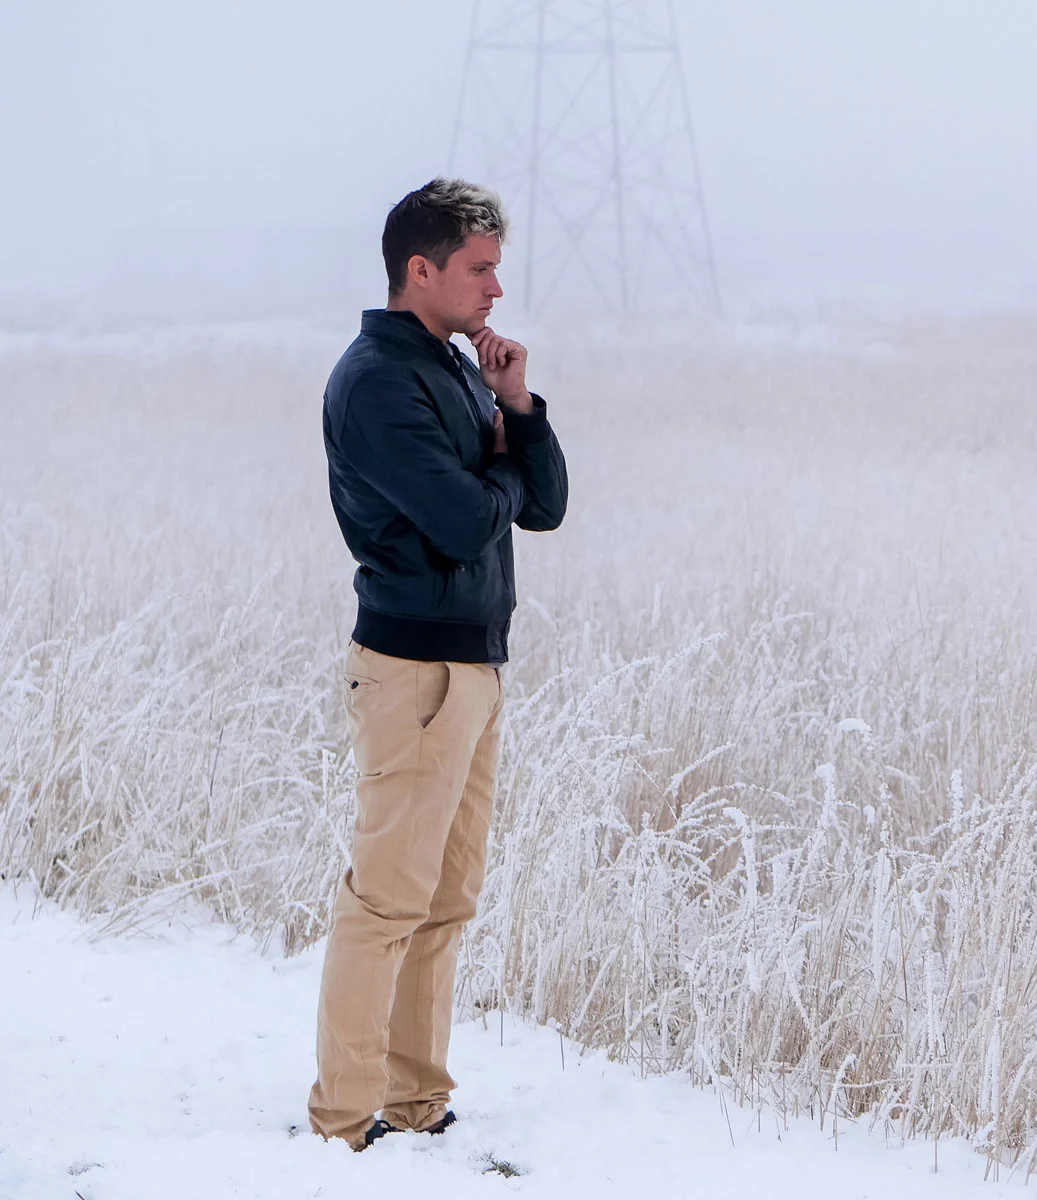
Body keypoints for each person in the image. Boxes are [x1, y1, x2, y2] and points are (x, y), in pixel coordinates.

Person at [307, 178, 569, 1151]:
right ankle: (344, 1120)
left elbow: (545, 506)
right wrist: (498, 469)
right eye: (480, 269)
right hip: (413, 670)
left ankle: (417, 1103)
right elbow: (463, 522)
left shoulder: (458, 367)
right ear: (421, 270)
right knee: (386, 901)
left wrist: (518, 409)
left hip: (474, 666)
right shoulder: (378, 382)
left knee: (446, 900)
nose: (497, 289)